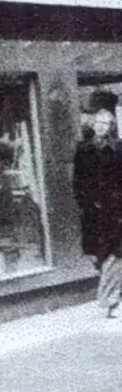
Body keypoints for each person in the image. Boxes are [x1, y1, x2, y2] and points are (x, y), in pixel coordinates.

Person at [72, 108, 122, 317]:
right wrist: (85, 202)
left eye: (105, 123)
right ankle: (111, 295)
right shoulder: (84, 149)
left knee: (116, 252)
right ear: (92, 125)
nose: (101, 127)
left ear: (111, 127)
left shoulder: (118, 148)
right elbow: (77, 179)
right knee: (98, 254)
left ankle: (110, 299)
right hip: (93, 211)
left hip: (115, 209)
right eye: (98, 123)